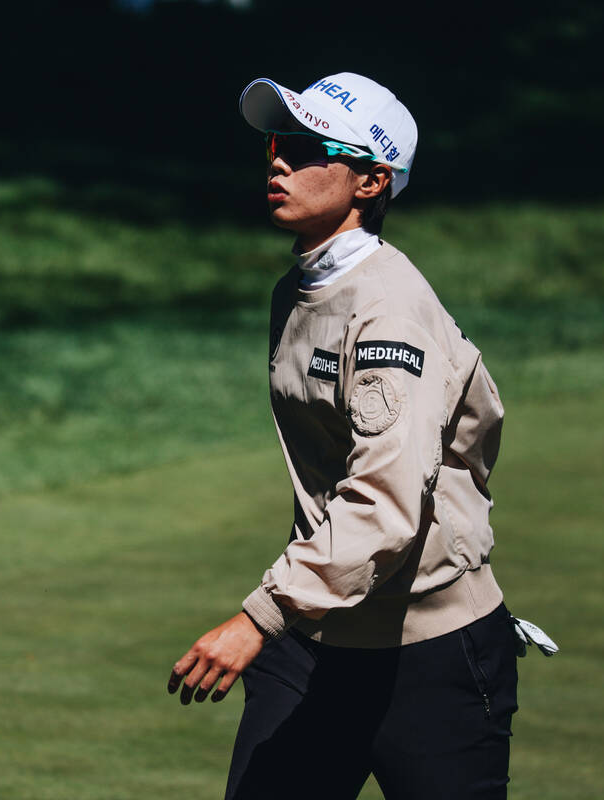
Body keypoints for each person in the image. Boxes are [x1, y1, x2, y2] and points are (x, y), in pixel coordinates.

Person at [166, 72, 520, 799]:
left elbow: (385, 503)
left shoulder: (388, 310)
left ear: (371, 180)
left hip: (430, 654)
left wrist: (260, 618)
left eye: (303, 147)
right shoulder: (298, 287)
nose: (278, 162)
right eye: (275, 143)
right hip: (318, 638)